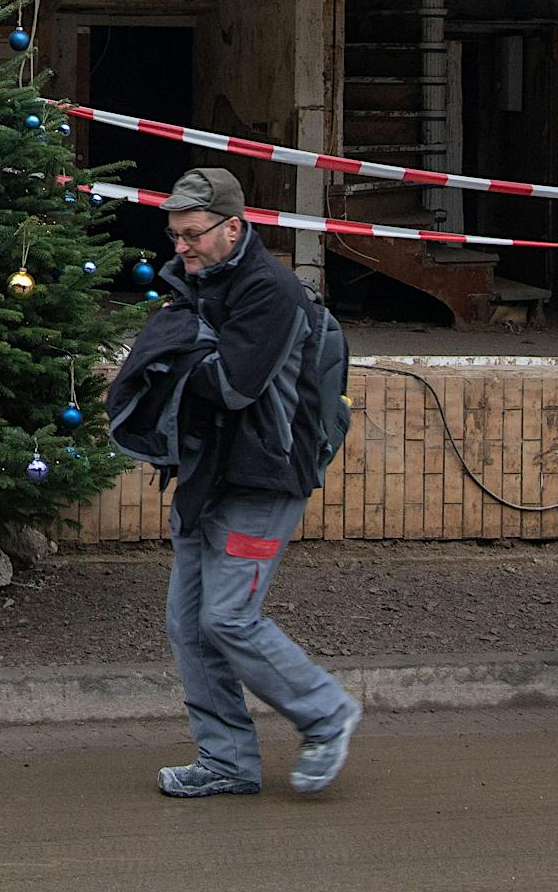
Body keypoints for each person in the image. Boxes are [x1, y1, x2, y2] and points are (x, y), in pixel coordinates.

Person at [107, 166, 360, 798]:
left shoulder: (270, 292)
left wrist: (170, 358)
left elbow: (232, 386)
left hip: (263, 477)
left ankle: (327, 716)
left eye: (193, 234)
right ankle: (226, 762)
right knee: (189, 624)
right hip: (204, 471)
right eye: (176, 235)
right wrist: (183, 351)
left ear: (234, 228)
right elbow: (189, 362)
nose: (182, 247)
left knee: (228, 618)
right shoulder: (197, 280)